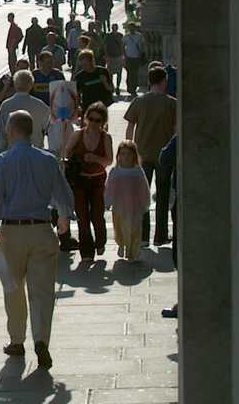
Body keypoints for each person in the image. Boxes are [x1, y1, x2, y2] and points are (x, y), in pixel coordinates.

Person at [0, 110, 75, 370]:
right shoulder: (47, 160)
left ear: (12, 131)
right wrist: (64, 218)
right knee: (43, 291)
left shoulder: (1, 162)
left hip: (11, 232)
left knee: (12, 289)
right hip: (41, 229)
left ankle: (16, 340)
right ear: (31, 131)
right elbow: (63, 196)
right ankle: (41, 340)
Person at [124, 66, 177, 246]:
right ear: (164, 81)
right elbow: (177, 130)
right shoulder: (172, 103)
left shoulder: (139, 102)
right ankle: (160, 235)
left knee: (142, 197)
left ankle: (144, 236)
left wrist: (128, 149)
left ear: (149, 81)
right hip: (164, 155)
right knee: (162, 196)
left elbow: (130, 127)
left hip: (141, 154)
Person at [64, 101, 114, 262]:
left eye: (97, 120)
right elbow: (66, 153)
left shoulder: (106, 137)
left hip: (97, 180)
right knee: (82, 216)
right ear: (85, 118)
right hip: (79, 180)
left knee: (97, 215)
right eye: (91, 119)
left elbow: (109, 160)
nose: (93, 123)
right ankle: (86, 251)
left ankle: (100, 242)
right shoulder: (78, 134)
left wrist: (95, 158)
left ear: (103, 122)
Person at [104, 140, 150, 262]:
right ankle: (121, 244)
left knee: (135, 230)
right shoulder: (115, 172)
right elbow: (109, 188)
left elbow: (144, 188)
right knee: (119, 229)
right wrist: (107, 201)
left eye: (129, 154)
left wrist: (145, 203)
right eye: (123, 154)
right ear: (118, 156)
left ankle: (132, 253)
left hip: (135, 207)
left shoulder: (138, 171)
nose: (126, 157)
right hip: (119, 207)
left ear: (134, 155)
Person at [0, 70, 50, 153]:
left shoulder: (6, 105)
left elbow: (1, 133)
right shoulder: (40, 105)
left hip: (12, 152)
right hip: (35, 151)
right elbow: (50, 127)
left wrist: (0, 152)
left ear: (15, 85)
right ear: (31, 85)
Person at [158, 134, 178, 318]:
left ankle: (185, 300)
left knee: (181, 251)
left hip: (186, 196)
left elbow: (164, 158)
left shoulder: (182, 136)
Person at [74, 49, 113, 114]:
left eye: (86, 64)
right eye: (82, 64)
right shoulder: (79, 76)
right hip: (87, 108)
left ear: (92, 61)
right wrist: (78, 107)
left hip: (101, 107)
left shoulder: (102, 71)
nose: (84, 67)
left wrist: (105, 83)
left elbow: (111, 89)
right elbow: (77, 94)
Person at [122, 22, 145, 96]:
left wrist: (141, 54)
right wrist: (124, 55)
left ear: (135, 28)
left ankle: (134, 88)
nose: (131, 29)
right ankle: (129, 88)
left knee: (135, 73)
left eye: (133, 28)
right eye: (130, 28)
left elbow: (142, 46)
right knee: (129, 73)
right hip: (128, 57)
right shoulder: (126, 36)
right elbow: (122, 46)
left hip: (136, 57)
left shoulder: (139, 36)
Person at [104, 23, 124, 95]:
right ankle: (111, 86)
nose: (114, 29)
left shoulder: (120, 35)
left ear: (117, 28)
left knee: (119, 73)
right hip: (111, 57)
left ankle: (118, 87)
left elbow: (122, 46)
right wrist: (106, 55)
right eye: (113, 28)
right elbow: (105, 46)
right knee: (110, 73)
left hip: (118, 56)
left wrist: (123, 56)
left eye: (115, 28)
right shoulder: (108, 36)